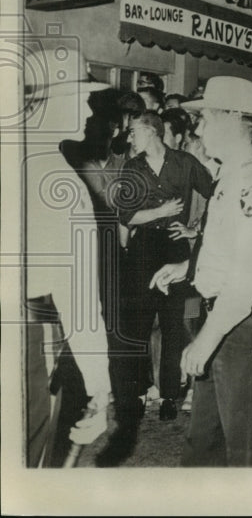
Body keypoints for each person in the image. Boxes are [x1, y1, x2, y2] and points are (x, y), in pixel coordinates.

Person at [150, 76, 252, 466]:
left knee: (249, 455)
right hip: (223, 319)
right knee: (203, 448)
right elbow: (225, 247)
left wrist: (206, 340)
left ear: (230, 118)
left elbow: (245, 278)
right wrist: (187, 267)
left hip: (242, 325)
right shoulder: (230, 174)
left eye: (206, 118)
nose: (199, 127)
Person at [102, 110, 213, 463]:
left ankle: (168, 396)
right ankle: (136, 394)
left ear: (152, 132)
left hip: (175, 249)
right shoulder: (132, 168)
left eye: (134, 131)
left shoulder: (184, 162)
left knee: (172, 324)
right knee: (136, 325)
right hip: (143, 250)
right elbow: (125, 215)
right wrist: (162, 211)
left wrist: (196, 230)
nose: (129, 137)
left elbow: (218, 193)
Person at [23, 44, 112, 466]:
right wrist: (100, 388)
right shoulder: (61, 182)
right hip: (28, 338)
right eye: (83, 98)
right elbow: (78, 301)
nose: (92, 111)